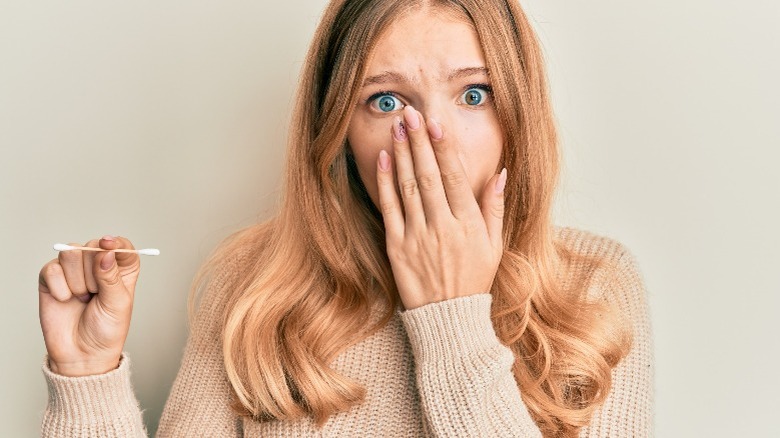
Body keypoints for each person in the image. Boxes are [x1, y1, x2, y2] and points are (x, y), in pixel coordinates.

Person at [38, 0, 653, 436]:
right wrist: (86, 378)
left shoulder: (595, 287)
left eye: (473, 94)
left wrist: (453, 320)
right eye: (387, 101)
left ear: (516, 111)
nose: (431, 140)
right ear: (339, 133)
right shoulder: (251, 291)